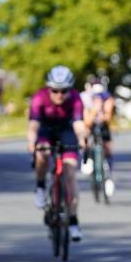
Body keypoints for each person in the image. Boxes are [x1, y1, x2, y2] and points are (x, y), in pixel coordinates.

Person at [27, 65, 88, 242]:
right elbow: (33, 126)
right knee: (42, 153)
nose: (59, 94)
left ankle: (73, 220)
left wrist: (82, 138)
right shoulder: (39, 97)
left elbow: (79, 124)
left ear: (70, 89)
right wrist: (31, 142)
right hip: (45, 130)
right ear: (48, 88)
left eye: (64, 90)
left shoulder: (75, 98)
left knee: (70, 173)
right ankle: (40, 185)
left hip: (67, 131)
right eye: (55, 90)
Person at [81, 75, 116, 194]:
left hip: (102, 124)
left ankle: (108, 176)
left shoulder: (107, 97)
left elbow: (108, 116)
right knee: (85, 133)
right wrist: (95, 109)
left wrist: (104, 113)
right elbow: (87, 121)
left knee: (107, 147)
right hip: (89, 123)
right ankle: (87, 157)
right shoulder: (84, 98)